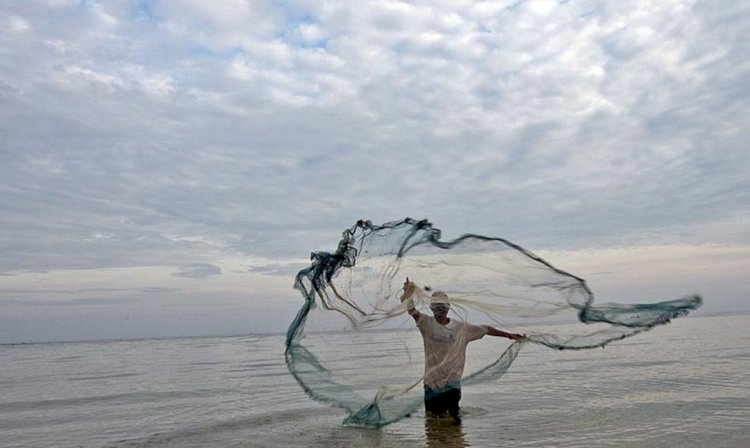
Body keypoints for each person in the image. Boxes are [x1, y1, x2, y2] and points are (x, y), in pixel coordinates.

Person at [400, 278, 524, 424]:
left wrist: (509, 335)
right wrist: (407, 293)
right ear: (431, 308)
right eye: (437, 305)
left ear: (448, 307)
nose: (440, 308)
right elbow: (412, 311)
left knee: (453, 421)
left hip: (452, 384)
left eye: (442, 305)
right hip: (431, 385)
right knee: (432, 423)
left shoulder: (461, 328)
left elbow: (486, 329)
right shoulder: (426, 323)